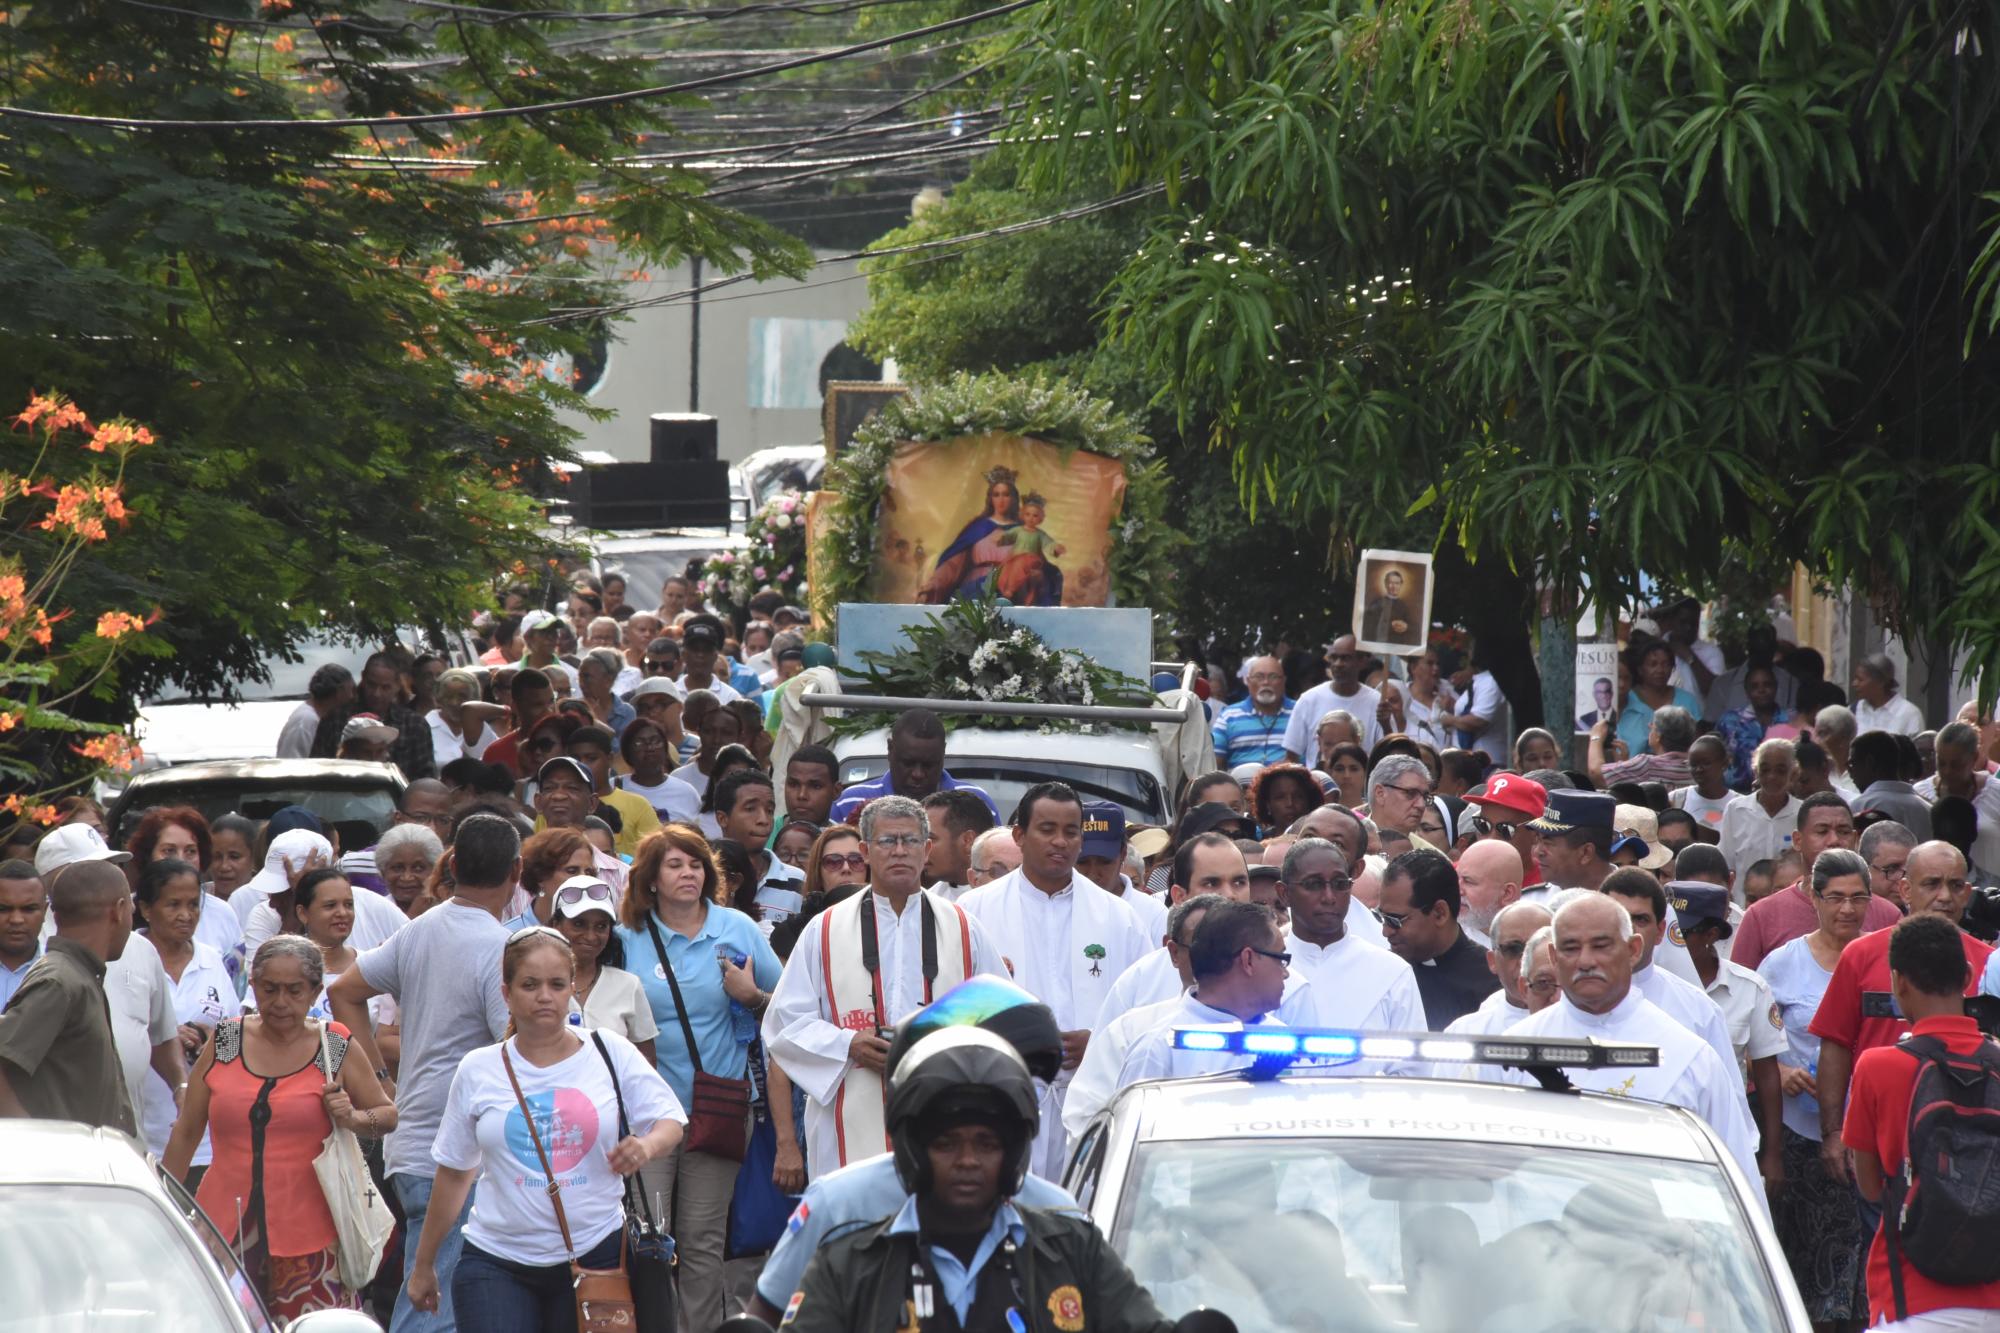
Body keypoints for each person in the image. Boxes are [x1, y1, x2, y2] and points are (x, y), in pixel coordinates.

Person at [788, 1019, 1173, 1332]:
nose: (968, 1160)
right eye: (947, 1144)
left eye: (987, 1144)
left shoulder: (1073, 1249)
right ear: (914, 1152)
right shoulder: (849, 1264)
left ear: (1013, 1154)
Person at [404, 927, 685, 1329]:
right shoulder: (478, 1068)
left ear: (572, 988)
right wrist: (424, 1263)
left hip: (597, 1254)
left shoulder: (608, 1050)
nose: (544, 996)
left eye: (556, 984)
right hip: (495, 1261)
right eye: (530, 985)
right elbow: (454, 1171)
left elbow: (671, 1120)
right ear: (507, 994)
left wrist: (645, 1145)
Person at [328, 811, 520, 1333]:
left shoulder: (421, 928)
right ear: (517, 872)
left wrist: (380, 1080)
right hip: (456, 1154)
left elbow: (343, 990)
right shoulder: (499, 947)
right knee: (433, 1309)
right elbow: (515, 1048)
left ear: (452, 864)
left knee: (443, 1300)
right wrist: (378, 1080)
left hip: (413, 1144)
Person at [764, 795, 1008, 1178]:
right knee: (853, 1226)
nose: (899, 851)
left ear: (926, 850)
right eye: (887, 841)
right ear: (864, 851)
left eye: (910, 841)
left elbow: (1000, 1020)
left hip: (942, 1111)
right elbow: (784, 1027)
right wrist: (848, 1044)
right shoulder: (824, 930)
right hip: (847, 1114)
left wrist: (937, 1045)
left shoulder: (964, 928)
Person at [165, 935, 398, 1319]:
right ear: (252, 985)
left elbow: (387, 1115)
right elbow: (188, 1129)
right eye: (269, 989)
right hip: (223, 1227)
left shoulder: (333, 1045)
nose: (280, 1003)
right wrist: (168, 1203)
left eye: (294, 991)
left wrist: (352, 1118)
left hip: (312, 1234)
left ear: (315, 991)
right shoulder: (227, 1039)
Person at [616, 824, 782, 1332]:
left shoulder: (738, 927)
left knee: (703, 1243)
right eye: (674, 865)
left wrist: (752, 996)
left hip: (719, 1109)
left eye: (695, 864)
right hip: (648, 1118)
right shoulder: (626, 938)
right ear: (650, 879)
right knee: (650, 1243)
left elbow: (792, 1007)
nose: (687, 873)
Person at [1497, 894, 1764, 1188]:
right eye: (1571, 948)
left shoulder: (1690, 1057)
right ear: (1553, 956)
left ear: (1633, 949)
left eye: (1601, 946)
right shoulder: (1512, 1053)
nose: (1585, 961)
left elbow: (1736, 1171)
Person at [959, 782, 1154, 1178]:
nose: (1060, 842)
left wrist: (1099, 1041)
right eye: (1047, 829)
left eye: (1071, 831)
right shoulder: (973, 911)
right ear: (1020, 835)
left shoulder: (1119, 917)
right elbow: (954, 1002)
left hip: (1090, 1098)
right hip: (1003, 1094)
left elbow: (1146, 1007)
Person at [1842, 915, 2000, 1329]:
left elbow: (1871, 1186)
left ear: (1898, 982)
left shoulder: (1877, 1066)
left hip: (1910, 1296)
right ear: (1968, 976)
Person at [1811, 841, 1994, 1191]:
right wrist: (1833, 1132)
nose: (1945, 896)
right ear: (1906, 889)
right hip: (1878, 1144)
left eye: (1956, 886)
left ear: (1968, 892)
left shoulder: (1989, 962)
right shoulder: (1861, 955)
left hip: (1968, 1152)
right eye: (1931, 883)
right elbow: (1834, 1042)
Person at [1756, 848, 1871, 1328]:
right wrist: (1779, 1072)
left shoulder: (1880, 957)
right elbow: (1750, 1040)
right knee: (1804, 1264)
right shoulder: (1781, 964)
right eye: (1836, 898)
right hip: (1799, 1136)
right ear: (1813, 896)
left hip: (1866, 1136)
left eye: (1858, 898)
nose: (1847, 909)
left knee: (1858, 1266)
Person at [0, 860, 138, 1131]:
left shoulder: (78, 976)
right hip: (60, 1167)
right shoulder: (60, 981)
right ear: (119, 910)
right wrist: (32, 1140)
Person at [133, 857, 243, 1159]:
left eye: (193, 905)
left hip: (208, 1142)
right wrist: (163, 1038)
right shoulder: (125, 959)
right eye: (173, 905)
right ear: (145, 909)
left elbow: (238, 1041)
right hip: (142, 1137)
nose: (185, 915)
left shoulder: (211, 960)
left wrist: (209, 1038)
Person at [1733, 794, 1902, 970]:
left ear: (1854, 839)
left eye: (1843, 832)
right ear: (1798, 840)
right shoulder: (1761, 916)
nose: (1834, 840)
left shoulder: (1888, 916)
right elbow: (1742, 988)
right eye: (1822, 832)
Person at [1277, 837, 1425, 1030]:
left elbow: (1413, 1059)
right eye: (1314, 884)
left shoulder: (1392, 971)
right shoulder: (1260, 969)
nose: (1329, 897)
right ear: (1284, 893)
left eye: (1340, 884)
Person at [1377, 848, 1497, 1029]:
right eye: (1383, 918)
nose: (1385, 931)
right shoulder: (1384, 973)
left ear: (1440, 913)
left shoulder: (1491, 981)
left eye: (1395, 920)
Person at [829, 710, 998, 826]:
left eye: (928, 765)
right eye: (908, 763)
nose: (918, 774)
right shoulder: (848, 803)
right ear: (890, 749)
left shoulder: (978, 803)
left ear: (943, 753)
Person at [311, 650, 437, 780]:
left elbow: (425, 778)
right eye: (372, 685)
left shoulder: (414, 725)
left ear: (398, 686)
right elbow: (317, 769)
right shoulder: (336, 720)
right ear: (363, 679)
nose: (377, 694)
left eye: (385, 687)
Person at [1443, 901, 1552, 1035]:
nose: (1525, 960)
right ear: (1492, 961)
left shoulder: (1584, 1022)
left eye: (1537, 948)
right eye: (1513, 949)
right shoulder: (1465, 1033)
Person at [1285, 635, 1383, 767]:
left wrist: (1386, 723)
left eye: (1345, 658)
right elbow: (1291, 756)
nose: (1338, 664)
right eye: (1334, 658)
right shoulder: (1308, 700)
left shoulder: (1377, 702)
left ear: (1362, 662)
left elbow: (1384, 753)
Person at [1720, 738, 1805, 879]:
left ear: (1794, 773)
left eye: (1781, 771)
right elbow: (1726, 863)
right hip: (1744, 899)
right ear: (1756, 772)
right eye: (1765, 770)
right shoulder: (1736, 809)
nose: (1771, 776)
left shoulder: (1803, 813)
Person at [1212, 655, 1294, 768]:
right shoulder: (1228, 716)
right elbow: (1214, 763)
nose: (1266, 682)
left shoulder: (1299, 712)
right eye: (1259, 677)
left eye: (1273, 677)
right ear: (1248, 681)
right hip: (1241, 783)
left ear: (1283, 681)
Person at [1528, 789, 1618, 891]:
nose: (1537, 852)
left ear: (1586, 853)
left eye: (1548, 842)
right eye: (1537, 839)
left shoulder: (1633, 903)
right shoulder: (1532, 901)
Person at [1849, 730, 1933, 839]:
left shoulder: (1860, 805)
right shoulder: (1927, 808)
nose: (1851, 772)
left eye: (1852, 764)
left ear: (1869, 762)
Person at [1593, 704, 1696, 790]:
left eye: (1653, 727)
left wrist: (1595, 736)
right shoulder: (1698, 767)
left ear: (1658, 737)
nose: (1649, 726)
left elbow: (1597, 773)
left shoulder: (1647, 765)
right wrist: (1624, 764)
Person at [921, 789, 996, 901]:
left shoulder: (1003, 898)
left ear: (968, 840)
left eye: (930, 838)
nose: (921, 848)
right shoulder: (928, 900)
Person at [428, 667, 505, 768]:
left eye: (462, 696)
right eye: (449, 696)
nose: (455, 703)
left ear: (474, 699)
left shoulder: (481, 729)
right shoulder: (425, 727)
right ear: (439, 699)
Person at [278, 663, 357, 759]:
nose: (351, 696)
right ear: (339, 691)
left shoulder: (312, 718)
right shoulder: (305, 720)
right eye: (350, 690)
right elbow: (291, 763)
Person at [0, 860, 45, 1010]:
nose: (16, 920)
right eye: (3, 909)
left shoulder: (65, 975)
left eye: (29, 909)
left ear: (45, 911)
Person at [1849, 652, 1925, 737]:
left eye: (1860, 680)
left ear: (1880, 682)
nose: (1854, 684)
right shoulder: (1852, 711)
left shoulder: (1909, 714)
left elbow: (1917, 748)